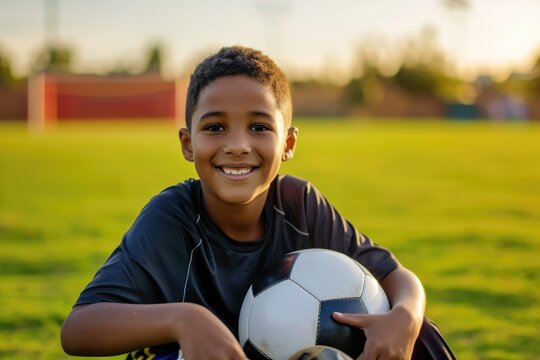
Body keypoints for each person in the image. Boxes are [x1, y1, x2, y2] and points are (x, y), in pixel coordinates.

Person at [61, 46, 455, 360]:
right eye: (215, 127)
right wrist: (185, 319)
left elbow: (396, 276)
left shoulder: (299, 204)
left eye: (259, 127)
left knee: (419, 334)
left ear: (288, 144)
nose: (236, 146)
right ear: (187, 143)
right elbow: (77, 329)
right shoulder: (170, 219)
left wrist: (404, 317)